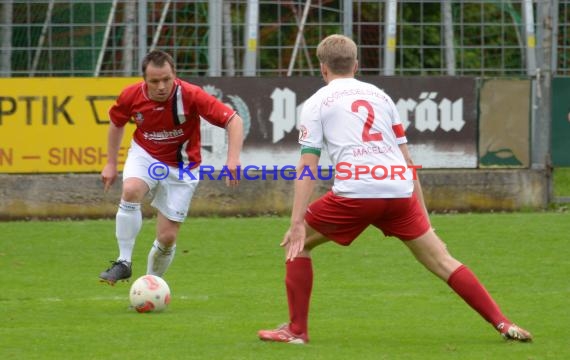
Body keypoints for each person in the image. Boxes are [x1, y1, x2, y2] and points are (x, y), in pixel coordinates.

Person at [258, 34, 532, 344]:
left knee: (298, 244)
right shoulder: (380, 96)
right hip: (399, 190)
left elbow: (308, 164)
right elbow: (407, 158)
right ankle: (502, 322)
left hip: (357, 192)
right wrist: (425, 219)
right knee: (443, 261)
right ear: (356, 65)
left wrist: (296, 223)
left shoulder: (317, 102)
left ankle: (296, 331)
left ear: (323, 68)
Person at [99, 50, 243, 284]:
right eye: (154, 81)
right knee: (131, 190)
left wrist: (233, 159)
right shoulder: (131, 96)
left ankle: (150, 284)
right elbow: (116, 124)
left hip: (183, 168)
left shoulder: (191, 95)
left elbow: (233, 120)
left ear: (175, 75)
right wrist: (111, 163)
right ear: (144, 80)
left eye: (167, 79)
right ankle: (123, 261)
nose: (162, 86)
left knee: (166, 238)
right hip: (145, 155)